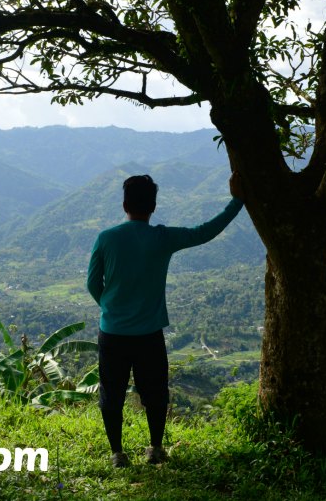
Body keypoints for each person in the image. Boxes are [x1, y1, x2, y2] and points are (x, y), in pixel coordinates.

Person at [86, 171, 245, 467]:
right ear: (153, 206)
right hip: (149, 334)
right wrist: (237, 201)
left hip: (113, 333)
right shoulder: (162, 237)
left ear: (125, 205)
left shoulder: (105, 238)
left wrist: (110, 307)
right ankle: (155, 448)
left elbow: (93, 284)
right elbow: (204, 231)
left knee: (112, 394)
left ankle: (117, 454)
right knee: (155, 392)